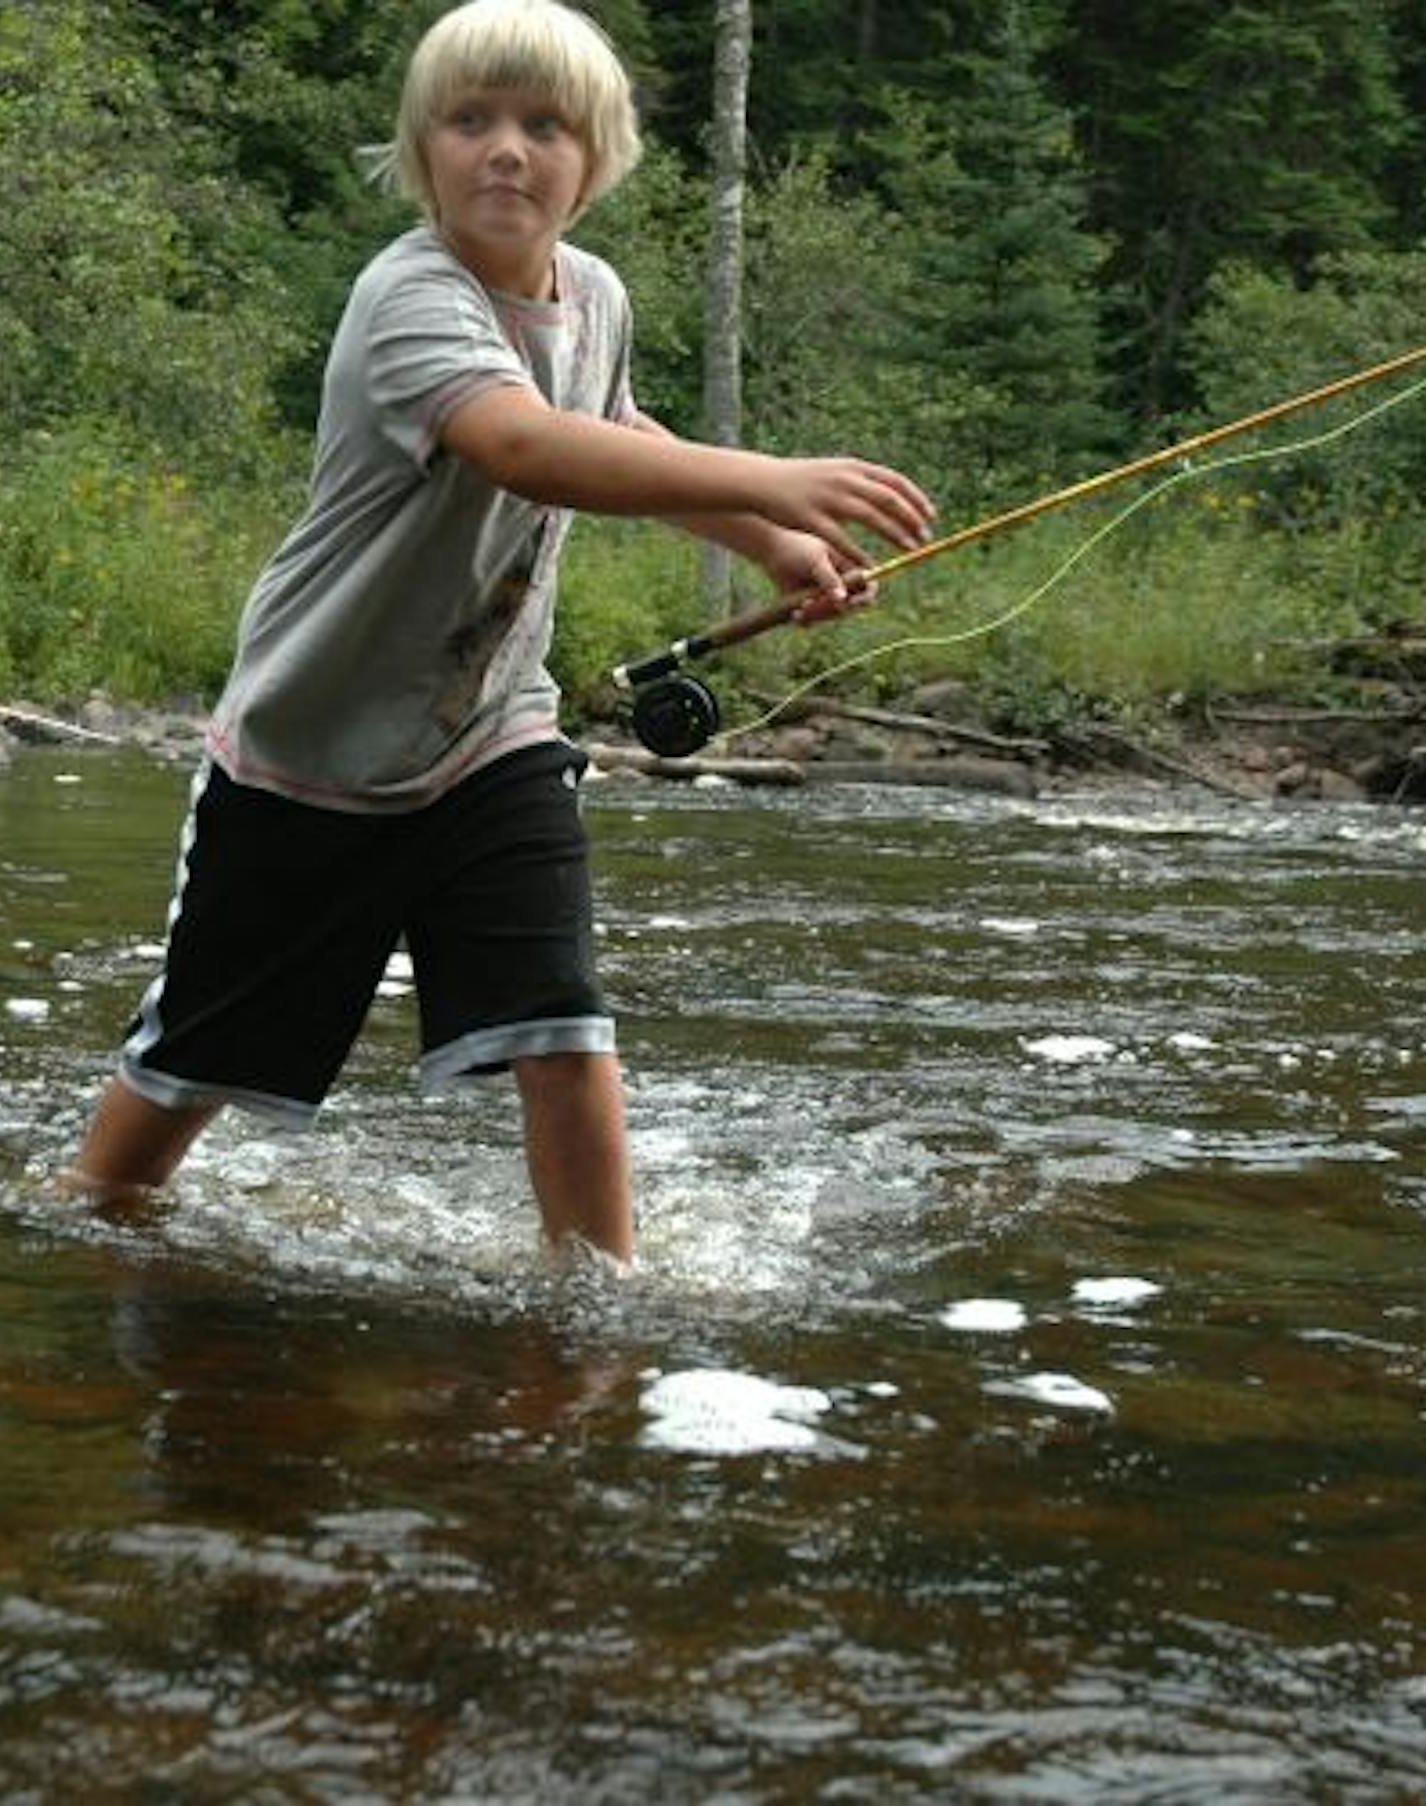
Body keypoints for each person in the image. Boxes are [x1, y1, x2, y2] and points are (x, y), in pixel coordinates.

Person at [68, 0, 936, 1265]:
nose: (507, 151)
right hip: (312, 748)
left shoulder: (595, 295)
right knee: (198, 1055)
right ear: (424, 155)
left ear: (598, 161)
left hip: (489, 735)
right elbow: (523, 445)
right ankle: (82, 1223)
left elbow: (618, 428)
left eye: (543, 126)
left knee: (563, 1023)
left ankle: (604, 1291)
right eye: (469, 123)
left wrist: (769, 543)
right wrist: (766, 479)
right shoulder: (406, 293)